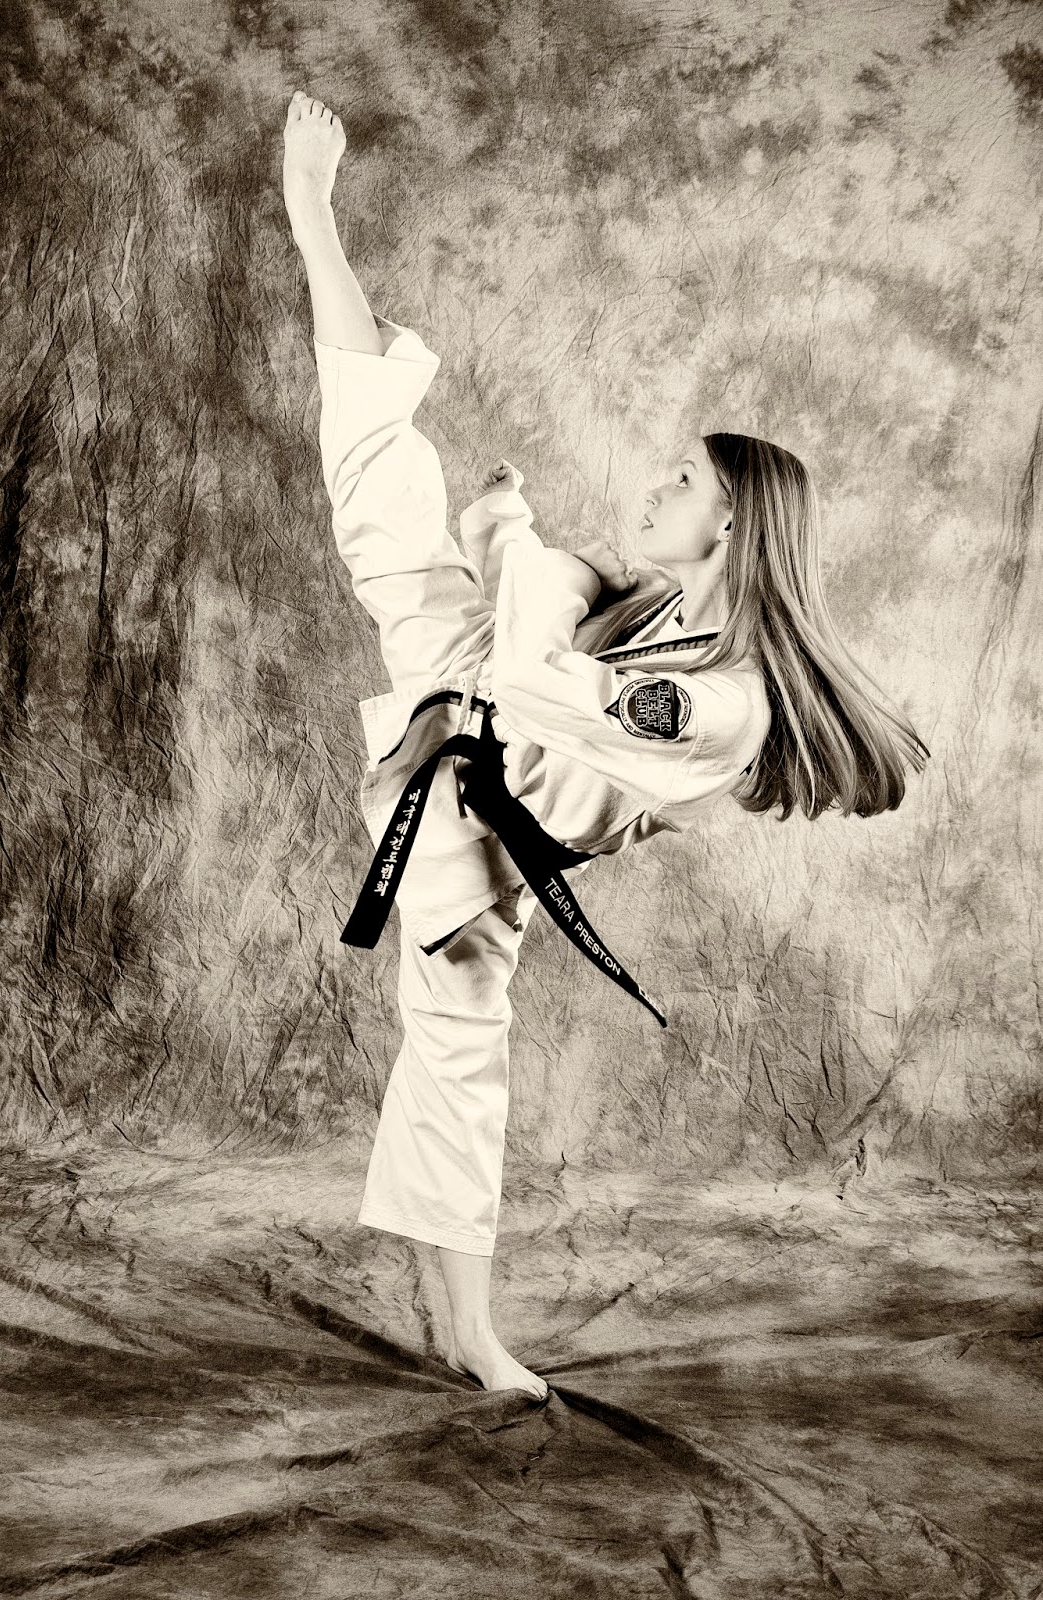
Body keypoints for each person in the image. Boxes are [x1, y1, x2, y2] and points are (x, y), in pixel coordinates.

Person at [281, 90, 929, 1398]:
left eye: (684, 480)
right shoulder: (658, 614)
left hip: (483, 808)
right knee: (378, 466)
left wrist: (518, 546)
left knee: (459, 1045)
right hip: (465, 716)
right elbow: (541, 638)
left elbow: (538, 681)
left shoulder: (722, 704)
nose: (654, 484)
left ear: (733, 524)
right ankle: (311, 216)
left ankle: (467, 1333)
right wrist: (516, 549)